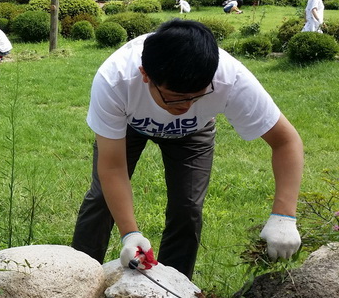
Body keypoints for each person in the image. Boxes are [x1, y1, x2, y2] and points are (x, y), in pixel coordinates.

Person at [71, 19, 303, 279]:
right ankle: (81, 276)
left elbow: (286, 141)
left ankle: (176, 287)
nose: (186, 106)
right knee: (102, 198)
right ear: (145, 74)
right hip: (129, 125)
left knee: (188, 207)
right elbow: (112, 167)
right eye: (175, 97)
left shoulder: (230, 78)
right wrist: (130, 233)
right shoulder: (115, 79)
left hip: (193, 132)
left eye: (197, 95)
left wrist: (284, 216)